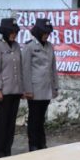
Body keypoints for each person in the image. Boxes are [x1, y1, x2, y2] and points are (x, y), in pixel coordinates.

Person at [0, 17, 25, 158]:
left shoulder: (16, 46)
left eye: (15, 32)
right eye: (11, 31)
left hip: (15, 91)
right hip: (3, 92)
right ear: (4, 31)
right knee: (2, 123)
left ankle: (7, 150)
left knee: (11, 124)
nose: (13, 34)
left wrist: (21, 88)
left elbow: (20, 69)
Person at [22, 18, 58, 152]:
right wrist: (27, 90)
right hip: (35, 89)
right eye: (44, 32)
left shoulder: (49, 46)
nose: (46, 35)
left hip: (47, 88)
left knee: (41, 118)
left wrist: (55, 87)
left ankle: (42, 142)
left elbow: (53, 68)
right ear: (38, 32)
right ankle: (33, 144)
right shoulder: (29, 47)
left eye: (48, 33)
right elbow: (25, 70)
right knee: (34, 118)